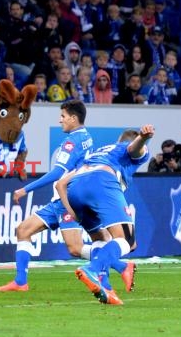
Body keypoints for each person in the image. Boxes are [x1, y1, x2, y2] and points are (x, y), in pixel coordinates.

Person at [0, 100, 96, 292]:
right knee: (23, 231)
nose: (60, 121)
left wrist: (25, 189)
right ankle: (20, 281)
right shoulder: (86, 137)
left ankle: (119, 262)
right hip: (62, 199)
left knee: (75, 249)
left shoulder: (71, 142)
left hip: (67, 200)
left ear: (74, 119)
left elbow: (57, 173)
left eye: (63, 117)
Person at [56, 125, 154, 305]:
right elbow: (134, 149)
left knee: (101, 240)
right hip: (101, 182)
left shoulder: (96, 153)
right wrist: (143, 138)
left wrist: (73, 212)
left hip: (75, 190)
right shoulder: (124, 149)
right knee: (128, 241)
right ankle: (92, 269)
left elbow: (60, 184)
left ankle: (106, 287)